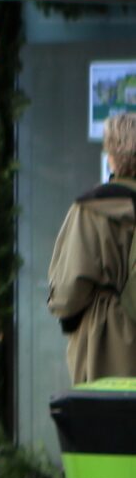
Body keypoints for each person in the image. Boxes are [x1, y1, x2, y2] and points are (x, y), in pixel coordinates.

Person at [47, 111, 136, 385]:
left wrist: (65, 314)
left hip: (101, 340)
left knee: (103, 421)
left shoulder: (90, 209)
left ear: (111, 155)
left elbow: (69, 288)